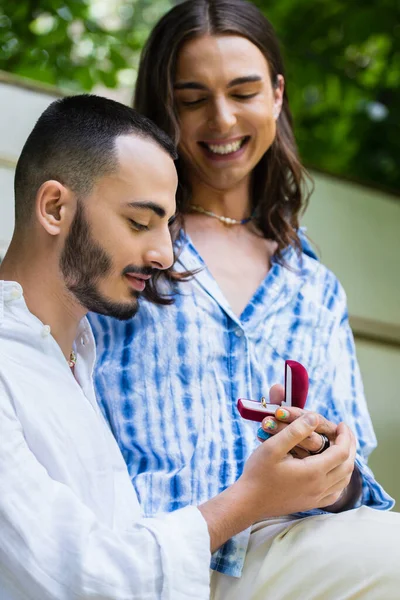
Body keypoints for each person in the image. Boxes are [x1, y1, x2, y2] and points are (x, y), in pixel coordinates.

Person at [88, 1, 400, 598]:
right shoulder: (120, 251)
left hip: (301, 558)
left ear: (277, 96)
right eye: (193, 98)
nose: (222, 118)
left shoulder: (315, 287)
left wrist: (328, 468)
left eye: (243, 91)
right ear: (163, 108)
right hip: (156, 558)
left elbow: (355, 483)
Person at [0, 93, 347, 599]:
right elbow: (80, 578)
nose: (164, 253)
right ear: (55, 208)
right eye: (140, 222)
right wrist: (248, 500)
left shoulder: (78, 356)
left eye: (167, 224)